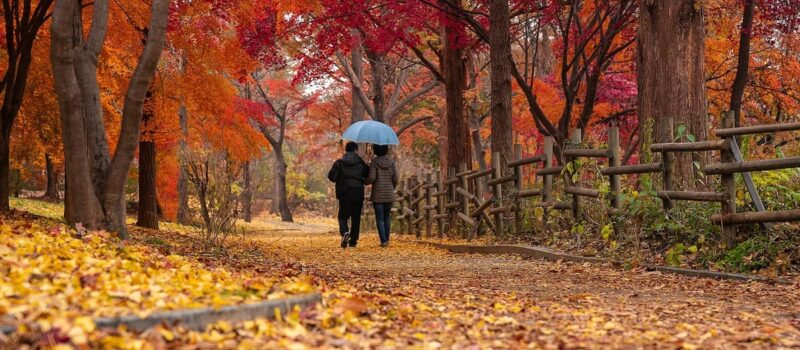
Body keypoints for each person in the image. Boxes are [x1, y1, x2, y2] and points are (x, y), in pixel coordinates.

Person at [327, 142, 368, 248]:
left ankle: (345, 232)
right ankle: (353, 241)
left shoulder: (339, 163)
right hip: (358, 193)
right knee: (356, 218)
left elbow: (331, 177)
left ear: (346, 150)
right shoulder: (360, 163)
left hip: (344, 193)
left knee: (342, 216)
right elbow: (367, 174)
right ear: (355, 150)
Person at [366, 144, 398, 247]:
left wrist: (364, 181)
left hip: (378, 195)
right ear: (386, 150)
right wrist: (392, 187)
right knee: (387, 217)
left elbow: (371, 178)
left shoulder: (374, 162)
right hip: (389, 193)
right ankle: (387, 239)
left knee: (379, 218)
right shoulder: (392, 162)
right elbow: (396, 178)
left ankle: (383, 241)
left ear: (375, 150)